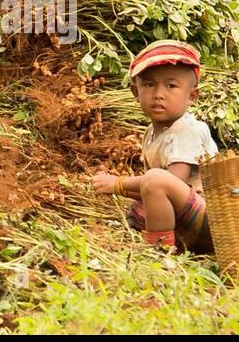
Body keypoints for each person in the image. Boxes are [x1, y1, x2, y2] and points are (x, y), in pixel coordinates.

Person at [89, 40, 218, 252]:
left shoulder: (188, 129)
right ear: (135, 92)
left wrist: (119, 183)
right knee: (140, 205)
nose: (159, 94)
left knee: (154, 180)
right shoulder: (151, 132)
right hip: (184, 221)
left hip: (212, 221)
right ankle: (169, 243)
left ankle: (160, 253)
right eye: (149, 84)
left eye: (171, 86)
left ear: (192, 96)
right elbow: (153, 190)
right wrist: (114, 188)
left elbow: (171, 181)